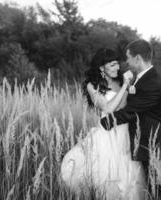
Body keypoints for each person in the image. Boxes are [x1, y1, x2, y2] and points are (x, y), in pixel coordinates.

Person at [60, 48, 146, 199]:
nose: (117, 68)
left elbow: (132, 107)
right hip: (106, 134)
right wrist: (125, 86)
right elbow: (107, 107)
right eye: (112, 65)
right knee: (105, 175)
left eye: (117, 64)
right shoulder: (92, 85)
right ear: (101, 67)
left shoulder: (121, 81)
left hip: (125, 133)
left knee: (128, 178)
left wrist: (131, 87)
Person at [100, 39, 161, 197]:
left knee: (158, 193)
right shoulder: (141, 78)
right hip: (145, 143)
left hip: (155, 146)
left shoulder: (153, 82)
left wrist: (105, 122)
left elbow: (131, 111)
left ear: (137, 58)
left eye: (128, 57)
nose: (126, 62)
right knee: (148, 190)